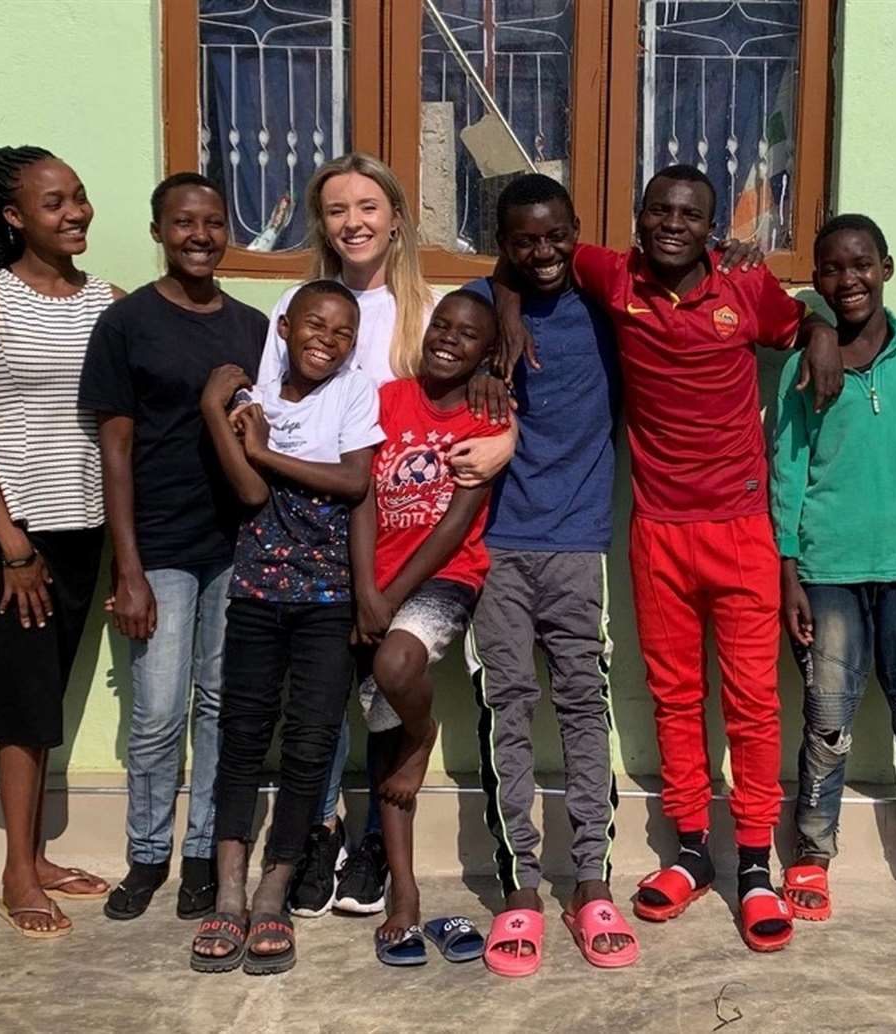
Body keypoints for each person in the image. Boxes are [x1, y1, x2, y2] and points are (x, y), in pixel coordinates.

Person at [493, 163, 842, 953]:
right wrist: (509, 313)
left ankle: (754, 862)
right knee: (674, 696)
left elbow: (806, 315)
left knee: (753, 702)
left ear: (712, 229)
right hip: (658, 530)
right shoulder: (609, 275)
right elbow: (516, 258)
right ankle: (691, 850)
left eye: (689, 214)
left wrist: (818, 333)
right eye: (658, 211)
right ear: (638, 218)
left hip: (742, 528)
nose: (671, 225)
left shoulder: (745, 289)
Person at [252, 152, 514, 918]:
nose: (354, 222)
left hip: (405, 532)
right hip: (316, 523)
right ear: (322, 224)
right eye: (337, 210)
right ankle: (322, 829)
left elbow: (475, 395)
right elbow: (276, 404)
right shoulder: (298, 307)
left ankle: (372, 836)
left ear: (396, 217)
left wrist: (507, 429)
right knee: (323, 691)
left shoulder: (429, 308)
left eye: (368, 206)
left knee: (381, 681)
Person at [769, 214, 896, 927]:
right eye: (831, 269)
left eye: (861, 265)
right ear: (818, 281)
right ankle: (812, 851)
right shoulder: (806, 368)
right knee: (826, 721)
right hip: (828, 569)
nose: (848, 280)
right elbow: (787, 470)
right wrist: (789, 571)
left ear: (886, 267)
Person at [78, 173, 268, 922]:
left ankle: (201, 854)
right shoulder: (127, 324)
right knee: (157, 712)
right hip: (157, 544)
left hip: (236, 543)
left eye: (215, 223)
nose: (200, 236)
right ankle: (146, 854)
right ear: (159, 231)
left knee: (222, 704)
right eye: (185, 223)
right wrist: (127, 568)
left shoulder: (253, 327)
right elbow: (114, 451)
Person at [460, 174, 634, 976]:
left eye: (556, 235)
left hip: (576, 543)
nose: (543, 253)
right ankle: (521, 890)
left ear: (577, 230)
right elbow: (439, 376)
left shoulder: (607, 306)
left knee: (583, 705)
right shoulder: (476, 305)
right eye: (523, 240)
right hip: (495, 543)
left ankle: (592, 877)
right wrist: (481, 362)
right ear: (502, 240)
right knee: (507, 708)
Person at [0, 145, 119, 939]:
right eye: (54, 203)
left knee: (46, 691)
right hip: (12, 534)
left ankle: (38, 855)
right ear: (15, 217)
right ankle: (19, 868)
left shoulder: (108, 300)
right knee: (22, 700)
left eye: (79, 197)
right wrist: (12, 543)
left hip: (83, 525)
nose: (75, 212)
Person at [187, 280, 382, 975]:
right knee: (241, 738)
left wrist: (266, 452)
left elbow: (356, 481)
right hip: (257, 593)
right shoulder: (253, 396)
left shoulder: (355, 392)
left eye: (342, 332)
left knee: (309, 741)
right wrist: (217, 410)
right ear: (284, 325)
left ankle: (275, 888)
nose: (326, 341)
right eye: (314, 326)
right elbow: (247, 493)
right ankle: (230, 889)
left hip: (327, 599)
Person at [355, 291, 505, 965]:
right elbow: (360, 494)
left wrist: (391, 596)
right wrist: (367, 590)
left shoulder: (488, 409)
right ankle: (405, 893)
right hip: (372, 585)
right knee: (381, 737)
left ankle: (426, 733)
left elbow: (454, 525)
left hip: (443, 578)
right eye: (441, 326)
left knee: (396, 672)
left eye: (467, 334)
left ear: (486, 352)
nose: (449, 339)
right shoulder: (385, 400)